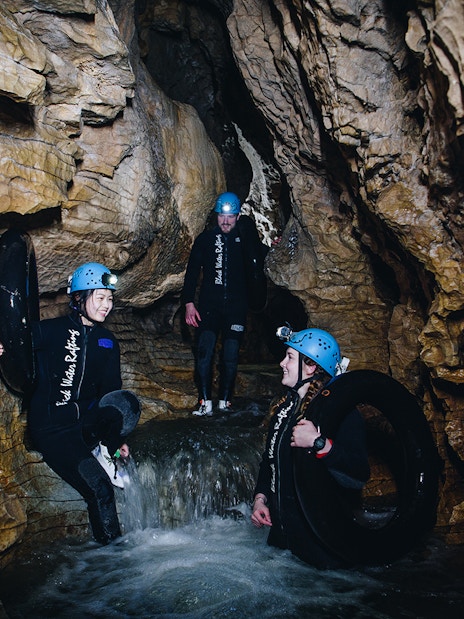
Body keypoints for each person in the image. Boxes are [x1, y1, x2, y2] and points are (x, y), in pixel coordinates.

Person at [0, 262, 141, 545]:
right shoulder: (49, 331)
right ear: (79, 298)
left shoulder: (108, 341)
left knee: (128, 403)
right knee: (100, 488)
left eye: (110, 298)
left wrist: (115, 437)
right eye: (100, 298)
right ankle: (114, 562)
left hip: (85, 425)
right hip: (53, 430)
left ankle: (107, 452)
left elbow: (111, 394)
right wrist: (4, 347)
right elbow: (14, 343)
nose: (107, 305)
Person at [251, 326, 370, 568]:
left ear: (311, 366)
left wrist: (320, 444)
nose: (282, 363)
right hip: (282, 546)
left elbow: (358, 475)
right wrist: (260, 498)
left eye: (290, 357)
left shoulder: (342, 416)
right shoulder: (284, 409)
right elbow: (269, 460)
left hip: (321, 553)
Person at [182, 191, 266, 416]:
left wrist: (274, 246)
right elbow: (191, 273)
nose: (226, 221)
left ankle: (225, 401)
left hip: (236, 308)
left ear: (238, 216)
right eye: (222, 216)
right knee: (204, 354)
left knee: (230, 356)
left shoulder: (245, 240)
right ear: (216, 216)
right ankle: (205, 401)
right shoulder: (206, 239)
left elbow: (259, 258)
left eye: (231, 216)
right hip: (209, 307)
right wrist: (189, 303)